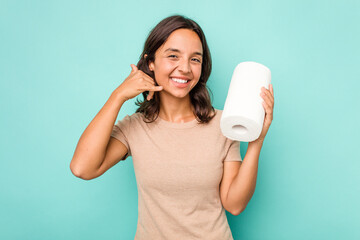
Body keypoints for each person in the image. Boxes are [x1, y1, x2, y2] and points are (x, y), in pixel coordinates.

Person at [70, 15, 274, 240]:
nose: (185, 68)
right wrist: (118, 96)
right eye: (173, 56)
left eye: (195, 59)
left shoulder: (221, 123)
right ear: (151, 63)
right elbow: (82, 168)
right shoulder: (134, 127)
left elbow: (234, 204)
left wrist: (256, 140)